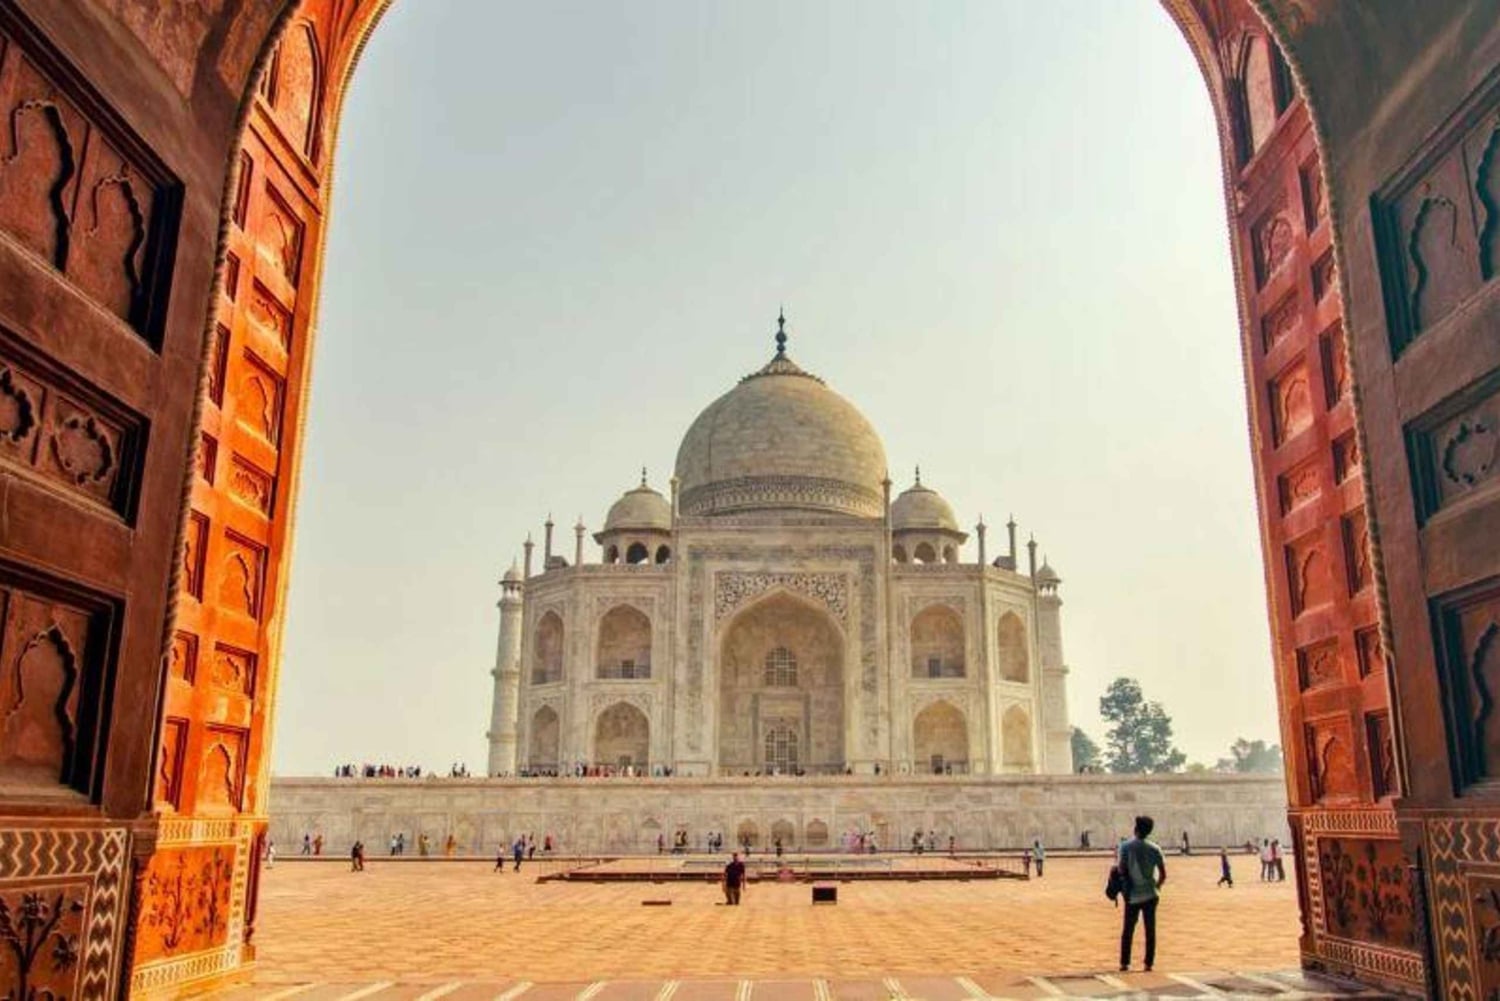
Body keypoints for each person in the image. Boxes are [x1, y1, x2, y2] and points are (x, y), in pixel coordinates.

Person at [1118, 815, 1167, 973]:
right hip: (1150, 895)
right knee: (1150, 930)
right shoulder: (1154, 848)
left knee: (1128, 930)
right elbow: (1163, 874)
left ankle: (1125, 963)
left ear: (1136, 828)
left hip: (1132, 895)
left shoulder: (1125, 847)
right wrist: (1157, 887)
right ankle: (1148, 963)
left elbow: (1121, 869)